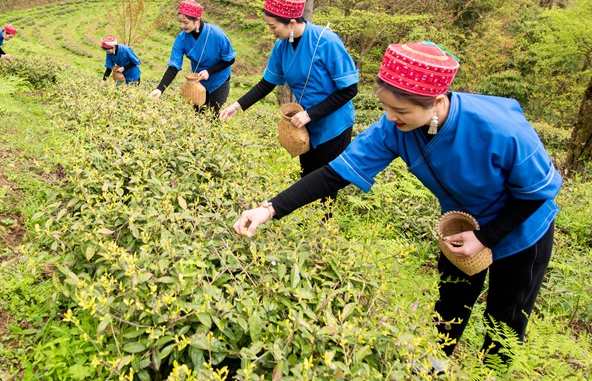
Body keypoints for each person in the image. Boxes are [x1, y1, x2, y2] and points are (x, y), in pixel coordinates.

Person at [233, 41, 561, 367]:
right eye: (385, 107)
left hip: (521, 228)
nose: (390, 118)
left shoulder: (498, 128)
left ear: (436, 102)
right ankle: (434, 365)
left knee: (505, 318)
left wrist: (487, 237)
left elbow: (538, 192)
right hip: (460, 224)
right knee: (451, 301)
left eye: (401, 111)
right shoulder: (394, 128)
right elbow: (334, 175)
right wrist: (269, 209)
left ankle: (492, 373)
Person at [220, 0, 359, 205]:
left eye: (273, 26)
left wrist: (311, 114)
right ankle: (306, 228)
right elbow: (267, 83)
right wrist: (237, 106)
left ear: (291, 23)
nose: (271, 31)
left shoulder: (327, 42)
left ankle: (323, 232)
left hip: (333, 123)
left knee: (324, 186)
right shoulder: (281, 46)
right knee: (307, 179)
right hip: (305, 123)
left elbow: (349, 89)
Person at [148, 0, 236, 113]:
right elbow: (173, 67)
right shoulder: (181, 39)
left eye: (185, 22)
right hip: (198, 80)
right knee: (198, 114)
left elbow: (230, 59)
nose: (182, 26)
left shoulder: (216, 34)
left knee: (215, 115)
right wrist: (160, 89)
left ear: (197, 19)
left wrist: (209, 71)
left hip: (219, 78)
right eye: (180, 22)